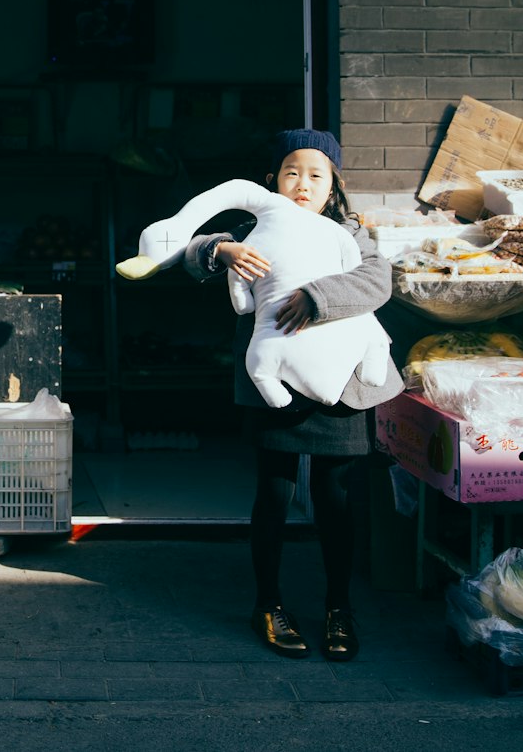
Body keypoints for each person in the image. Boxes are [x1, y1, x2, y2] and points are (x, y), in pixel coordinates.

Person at [183, 128, 402, 662]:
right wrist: (222, 249)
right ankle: (268, 604)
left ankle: (338, 607)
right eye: (291, 172)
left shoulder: (352, 232)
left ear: (333, 186)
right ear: (272, 182)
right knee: (274, 494)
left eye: (315, 175)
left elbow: (378, 281)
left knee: (336, 498)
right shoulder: (255, 226)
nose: (302, 184)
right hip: (273, 382)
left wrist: (316, 297)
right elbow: (188, 255)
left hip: (342, 384)